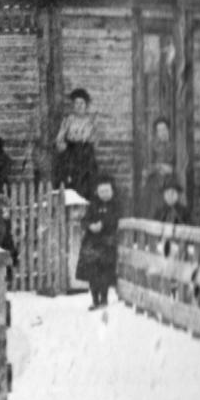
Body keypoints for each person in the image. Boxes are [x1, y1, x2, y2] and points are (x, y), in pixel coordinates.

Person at [76, 174, 120, 309]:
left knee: (104, 273)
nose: (104, 194)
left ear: (112, 191)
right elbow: (84, 220)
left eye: (107, 191)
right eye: (101, 191)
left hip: (108, 243)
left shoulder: (116, 205)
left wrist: (104, 224)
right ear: (97, 192)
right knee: (92, 273)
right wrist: (90, 226)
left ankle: (104, 299)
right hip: (92, 243)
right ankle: (95, 299)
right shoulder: (93, 205)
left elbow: (117, 219)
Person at [54, 88, 98, 193]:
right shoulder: (68, 120)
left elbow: (94, 140)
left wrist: (88, 145)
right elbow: (59, 138)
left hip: (86, 154)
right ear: (73, 105)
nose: (79, 106)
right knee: (70, 182)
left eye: (82, 103)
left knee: (86, 182)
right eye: (76, 103)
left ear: (86, 105)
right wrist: (63, 146)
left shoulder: (90, 121)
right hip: (71, 154)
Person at [141, 116, 176, 220]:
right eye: (159, 130)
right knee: (153, 206)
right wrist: (159, 166)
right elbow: (146, 168)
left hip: (172, 181)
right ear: (156, 133)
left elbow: (182, 164)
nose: (162, 133)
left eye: (164, 129)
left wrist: (172, 169)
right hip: (155, 181)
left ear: (169, 130)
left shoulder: (176, 146)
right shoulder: (153, 147)